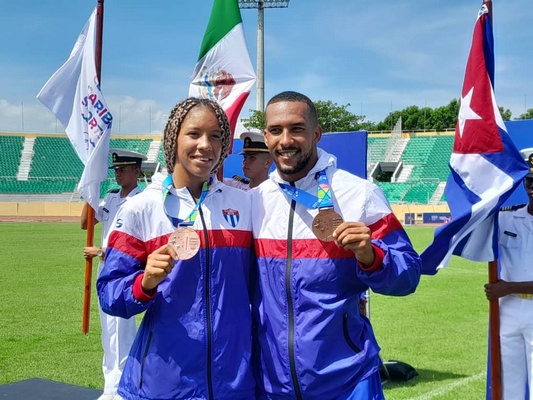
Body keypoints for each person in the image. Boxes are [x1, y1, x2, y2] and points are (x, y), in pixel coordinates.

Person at [250, 91, 422, 399]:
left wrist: (371, 256)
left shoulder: (360, 195)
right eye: (276, 130)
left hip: (348, 381)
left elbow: (408, 276)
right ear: (266, 136)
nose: (285, 140)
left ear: (316, 133)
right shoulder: (254, 203)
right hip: (272, 385)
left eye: (297, 129)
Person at [97, 97, 256, 400]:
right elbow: (109, 294)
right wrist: (143, 283)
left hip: (234, 381)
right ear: (174, 138)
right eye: (194, 134)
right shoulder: (140, 209)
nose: (205, 145)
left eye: (215, 136)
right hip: (165, 382)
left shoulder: (244, 204)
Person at [81, 148, 146, 400]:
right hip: (105, 269)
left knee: (122, 332)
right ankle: (110, 386)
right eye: (116, 169)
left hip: (125, 270)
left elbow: (138, 243)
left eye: (123, 169)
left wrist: (100, 251)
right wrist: (90, 191)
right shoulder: (111, 197)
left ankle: (122, 388)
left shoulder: (142, 201)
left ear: (136, 171)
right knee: (108, 332)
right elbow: (85, 223)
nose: (118, 173)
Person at [484, 149, 533, 400]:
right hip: (509, 310)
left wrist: (509, 287)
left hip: (515, 298)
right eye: (530, 181)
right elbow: (476, 231)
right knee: (509, 386)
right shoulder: (506, 217)